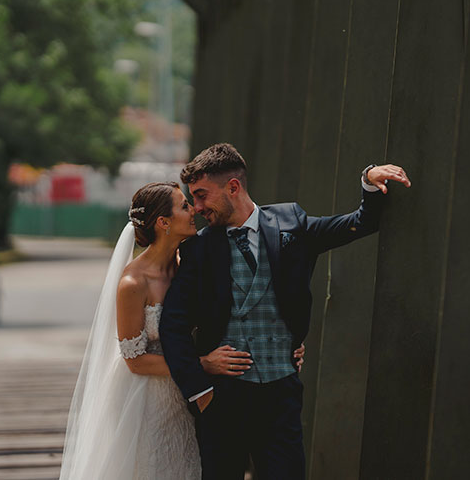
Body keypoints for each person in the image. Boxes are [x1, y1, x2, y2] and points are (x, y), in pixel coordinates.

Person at [160, 143, 411, 479]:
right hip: (222, 400)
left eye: (203, 195)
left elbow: (360, 223)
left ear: (233, 187)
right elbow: (172, 325)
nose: (198, 207)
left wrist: (368, 179)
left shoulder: (291, 223)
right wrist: (200, 387)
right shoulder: (199, 249)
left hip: (280, 395)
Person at [59, 181, 305, 479]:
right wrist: (201, 364)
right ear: (164, 222)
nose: (195, 211)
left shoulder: (188, 265)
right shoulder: (133, 283)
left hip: (189, 392)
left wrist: (283, 344)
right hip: (147, 398)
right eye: (185, 206)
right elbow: (134, 361)